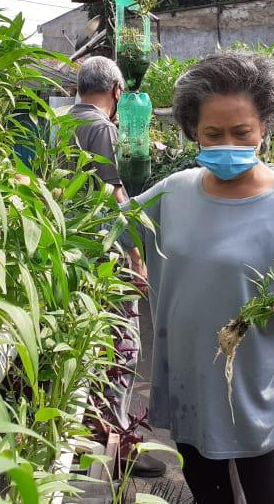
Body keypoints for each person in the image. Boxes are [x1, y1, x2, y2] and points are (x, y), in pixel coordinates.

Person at [121, 52, 274, 503]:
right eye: (212, 134)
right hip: (190, 392)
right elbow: (107, 229)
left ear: (264, 129)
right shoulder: (173, 193)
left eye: (242, 133)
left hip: (259, 398)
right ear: (192, 131)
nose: (227, 144)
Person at [69, 56, 166, 478]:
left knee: (82, 343)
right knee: (121, 345)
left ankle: (75, 435)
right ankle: (118, 443)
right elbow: (116, 193)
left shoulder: (58, 123)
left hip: (68, 251)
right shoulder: (104, 129)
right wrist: (135, 255)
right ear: (116, 92)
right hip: (104, 253)